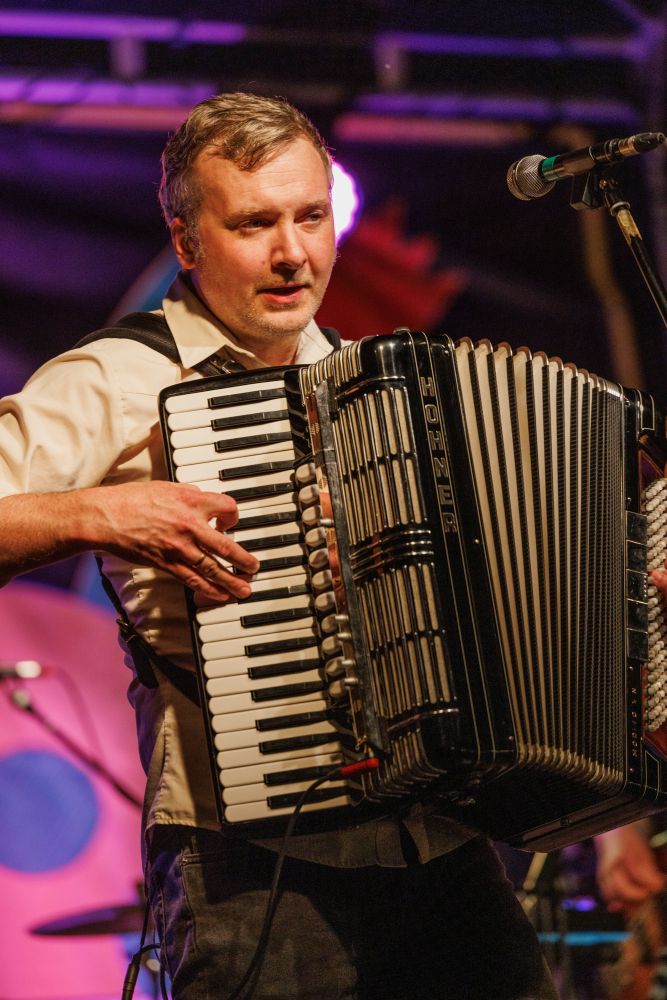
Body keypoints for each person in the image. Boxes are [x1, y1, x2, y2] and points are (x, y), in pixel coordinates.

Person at [0, 91, 562, 1000]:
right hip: (250, 865)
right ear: (186, 242)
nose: (293, 251)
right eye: (254, 223)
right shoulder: (115, 378)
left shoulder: (368, 383)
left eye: (310, 217)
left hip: (435, 840)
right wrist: (98, 514)